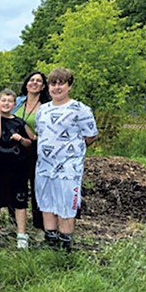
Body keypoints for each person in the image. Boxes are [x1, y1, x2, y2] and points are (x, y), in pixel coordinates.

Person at [36, 68, 98, 251]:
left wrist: (72, 152)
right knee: (47, 203)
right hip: (44, 166)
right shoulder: (43, 110)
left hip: (68, 168)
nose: (57, 87)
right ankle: (51, 241)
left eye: (61, 83)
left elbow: (91, 136)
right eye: (53, 83)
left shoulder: (80, 109)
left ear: (69, 85)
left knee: (66, 205)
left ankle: (65, 245)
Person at [0, 89, 35, 249]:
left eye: (10, 101)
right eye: (3, 101)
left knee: (20, 201)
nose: (6, 104)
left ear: (14, 104)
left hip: (18, 167)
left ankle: (21, 234)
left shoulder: (19, 122)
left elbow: (29, 142)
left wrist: (21, 139)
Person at [11, 71, 51, 229]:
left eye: (38, 81)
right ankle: (15, 220)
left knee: (37, 185)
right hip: (15, 147)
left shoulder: (47, 105)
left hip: (36, 148)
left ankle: (39, 222)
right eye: (31, 80)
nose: (34, 83)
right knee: (15, 183)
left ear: (42, 86)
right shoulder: (18, 102)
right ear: (26, 83)